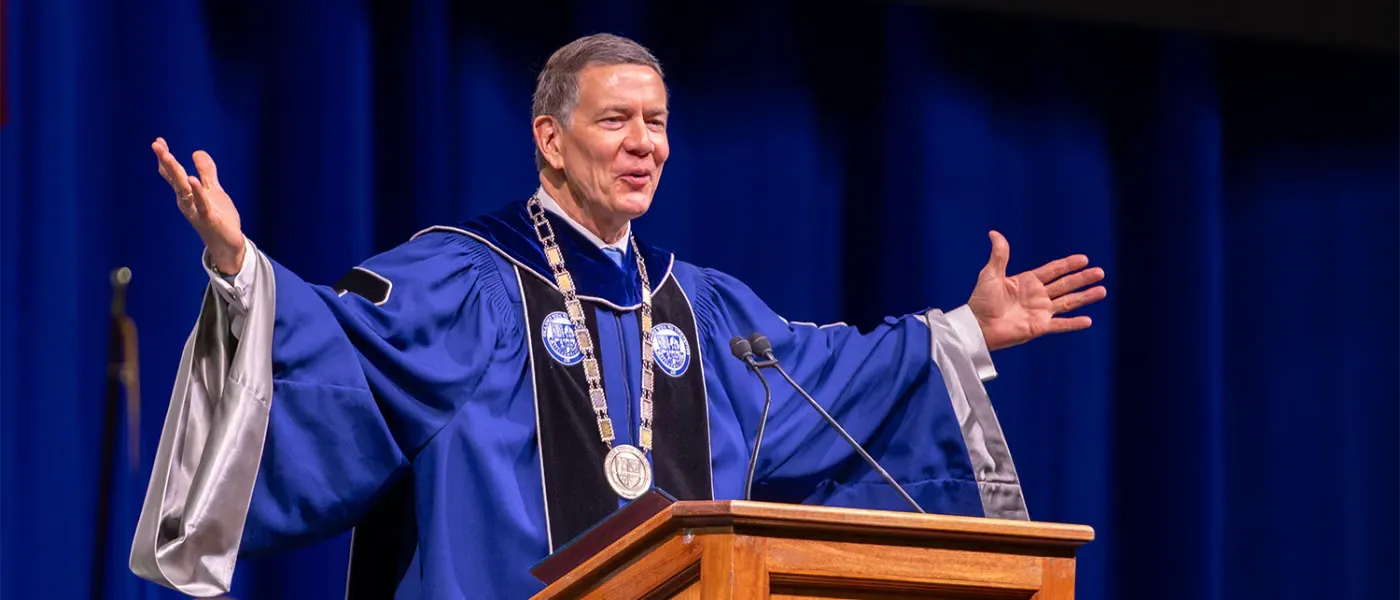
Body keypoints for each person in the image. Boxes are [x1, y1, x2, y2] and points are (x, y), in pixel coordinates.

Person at [129, 33, 1106, 599]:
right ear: (548, 139)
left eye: (658, 122)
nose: (645, 144)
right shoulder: (465, 282)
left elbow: (828, 379)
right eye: (616, 121)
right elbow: (337, 353)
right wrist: (238, 265)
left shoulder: (700, 308)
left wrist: (967, 331)